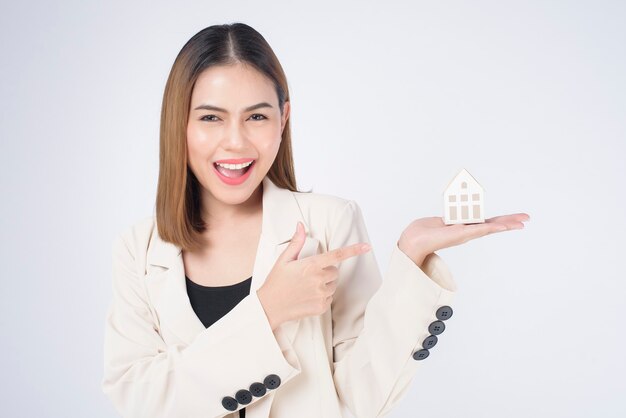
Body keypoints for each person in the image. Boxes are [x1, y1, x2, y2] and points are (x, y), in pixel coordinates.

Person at [101, 22, 529, 418]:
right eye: (211, 117)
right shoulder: (139, 250)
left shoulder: (330, 223)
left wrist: (411, 259)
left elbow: (362, 398)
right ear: (179, 122)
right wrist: (267, 311)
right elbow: (141, 400)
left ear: (283, 119)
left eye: (257, 116)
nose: (235, 141)